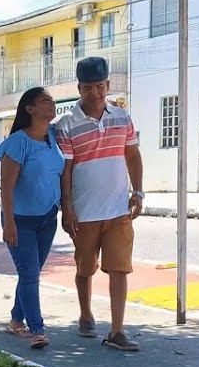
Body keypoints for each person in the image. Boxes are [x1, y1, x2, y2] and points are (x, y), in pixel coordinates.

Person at [56, 56, 145, 351]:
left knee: (120, 269)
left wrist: (138, 193)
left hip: (119, 210)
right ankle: (85, 314)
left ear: (107, 85)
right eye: (88, 88)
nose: (95, 93)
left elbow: (132, 155)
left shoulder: (123, 117)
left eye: (100, 87)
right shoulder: (66, 124)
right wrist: (66, 209)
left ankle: (117, 330)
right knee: (85, 268)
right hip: (84, 212)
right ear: (79, 88)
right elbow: (66, 169)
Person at [0, 87, 65, 350]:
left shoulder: (54, 138)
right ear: (30, 109)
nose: (51, 105)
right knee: (30, 274)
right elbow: (7, 187)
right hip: (20, 220)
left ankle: (15, 320)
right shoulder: (17, 142)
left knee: (30, 274)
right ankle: (37, 329)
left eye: (52, 101)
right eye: (45, 101)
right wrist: (9, 221)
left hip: (48, 217)